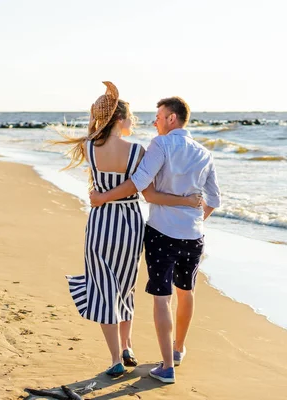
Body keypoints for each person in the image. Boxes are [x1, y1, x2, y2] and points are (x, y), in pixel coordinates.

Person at [52, 82, 201, 377]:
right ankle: (127, 345)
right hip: (129, 222)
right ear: (119, 119)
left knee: (103, 288)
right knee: (125, 287)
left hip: (100, 221)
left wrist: (101, 195)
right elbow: (145, 186)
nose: (134, 122)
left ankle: (115, 358)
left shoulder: (87, 147)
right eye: (130, 116)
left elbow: (97, 177)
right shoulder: (137, 151)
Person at [90, 96, 221, 384]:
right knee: (186, 291)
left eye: (159, 116)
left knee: (162, 298)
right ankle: (177, 351)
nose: (155, 121)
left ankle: (166, 368)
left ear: (172, 118)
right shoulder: (203, 152)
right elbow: (214, 199)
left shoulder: (160, 145)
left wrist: (101, 198)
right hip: (193, 236)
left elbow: (141, 187)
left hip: (162, 232)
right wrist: (195, 218)